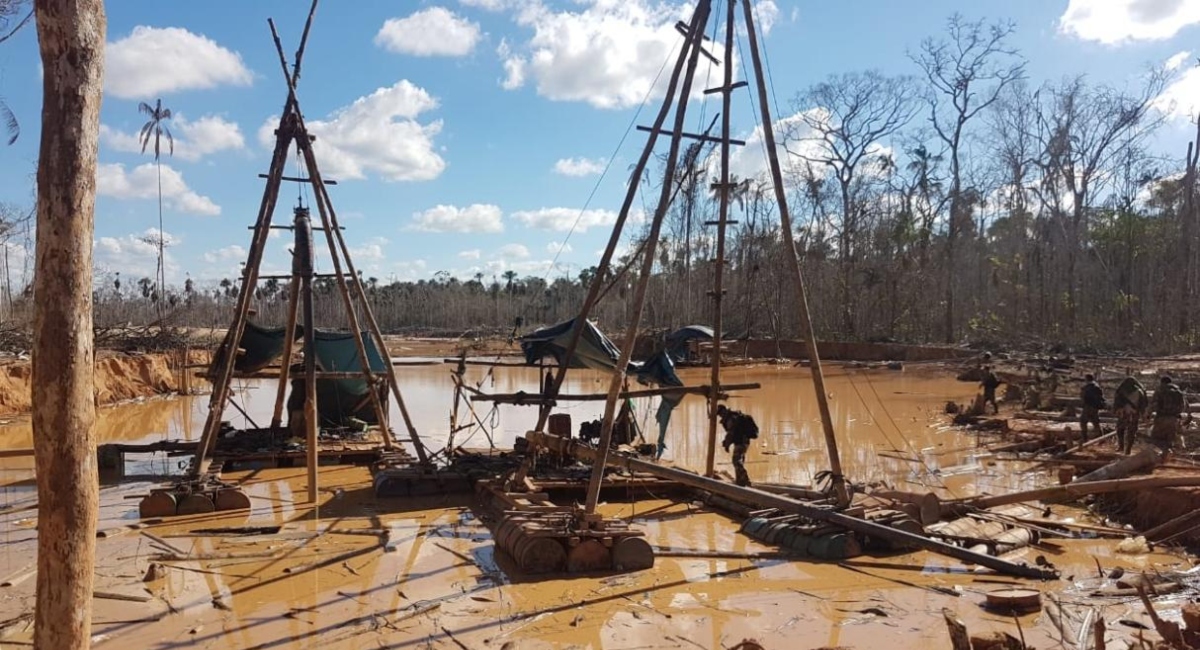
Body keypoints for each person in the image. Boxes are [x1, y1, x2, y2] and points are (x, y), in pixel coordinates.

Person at [717, 404, 758, 487]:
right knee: (739, 461)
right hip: (744, 441)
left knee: (736, 460)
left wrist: (727, 444)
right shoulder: (735, 416)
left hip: (741, 442)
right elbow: (733, 432)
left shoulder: (731, 418)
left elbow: (731, 433)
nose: (720, 416)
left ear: (723, 411)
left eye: (720, 413)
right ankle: (740, 482)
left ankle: (745, 480)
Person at [1151, 376, 1190, 452]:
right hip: (1174, 419)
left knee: (1157, 439)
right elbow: (1183, 406)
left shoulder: (1159, 390)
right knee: (1170, 440)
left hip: (1161, 418)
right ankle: (1169, 455)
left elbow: (1153, 405)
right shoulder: (1178, 392)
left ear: (1162, 382)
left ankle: (1160, 457)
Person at [1112, 374, 1148, 454]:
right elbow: (1143, 404)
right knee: (1131, 431)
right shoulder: (1140, 391)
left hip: (1124, 413)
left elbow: (1117, 402)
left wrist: (1116, 410)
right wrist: (1143, 415)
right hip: (1133, 413)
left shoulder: (1121, 390)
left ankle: (1122, 447)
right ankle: (1127, 449)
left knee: (1120, 429)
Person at [1079, 374, 1106, 442]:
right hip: (1095, 408)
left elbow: (1083, 398)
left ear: (1087, 379)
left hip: (1088, 407)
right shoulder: (1097, 387)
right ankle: (1101, 438)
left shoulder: (1086, 387)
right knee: (1096, 423)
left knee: (1083, 421)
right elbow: (1101, 397)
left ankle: (1085, 438)